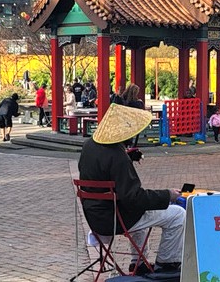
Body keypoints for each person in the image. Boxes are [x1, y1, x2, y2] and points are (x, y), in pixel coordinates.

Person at [78, 104, 185, 274]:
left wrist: (128, 155)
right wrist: (167, 195)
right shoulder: (117, 156)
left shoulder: (89, 146)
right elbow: (134, 198)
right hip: (113, 219)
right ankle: (167, 264)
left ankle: (139, 262)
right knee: (178, 215)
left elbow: (105, 167)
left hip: (94, 215)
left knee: (139, 215)